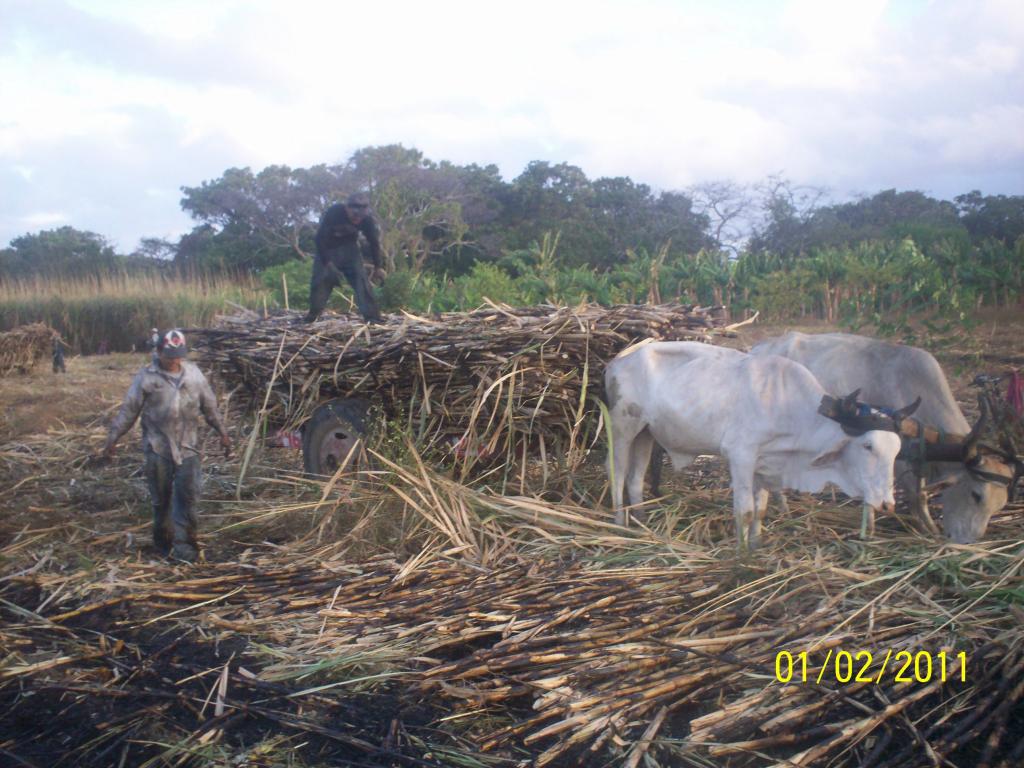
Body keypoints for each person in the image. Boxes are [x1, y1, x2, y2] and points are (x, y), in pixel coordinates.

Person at [103, 329, 233, 562]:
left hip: (189, 447)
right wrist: (113, 438)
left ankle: (185, 548)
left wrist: (223, 432)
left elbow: (210, 407)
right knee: (161, 499)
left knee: (188, 497)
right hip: (158, 448)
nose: (175, 360)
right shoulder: (147, 377)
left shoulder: (194, 375)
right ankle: (163, 544)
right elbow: (130, 410)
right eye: (170, 355)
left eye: (179, 355)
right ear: (159, 351)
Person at [305, 192, 386, 323]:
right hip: (327, 249)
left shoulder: (367, 220)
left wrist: (378, 266)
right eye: (354, 216)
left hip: (350, 250)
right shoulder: (334, 212)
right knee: (320, 283)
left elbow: (374, 243)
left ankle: (373, 318)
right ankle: (313, 316)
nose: (357, 219)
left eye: (360, 217)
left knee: (362, 282)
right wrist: (328, 264)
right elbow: (319, 239)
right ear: (346, 208)